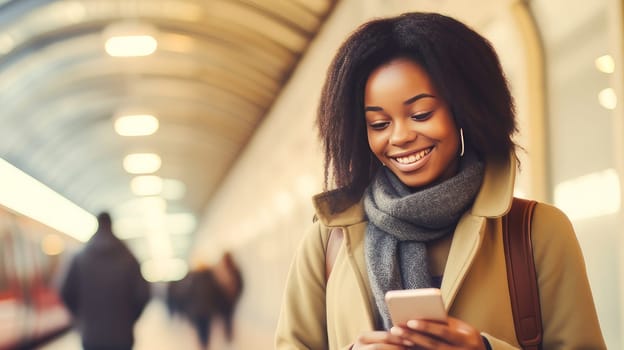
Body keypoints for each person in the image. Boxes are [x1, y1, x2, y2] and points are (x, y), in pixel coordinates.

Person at [275, 12, 606, 350]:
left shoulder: (537, 231)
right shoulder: (327, 241)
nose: (400, 136)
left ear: (463, 110)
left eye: (420, 114)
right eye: (378, 124)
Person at [60, 212, 150, 350]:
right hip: (122, 336)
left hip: (91, 336)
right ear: (112, 225)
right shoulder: (129, 258)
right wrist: (129, 319)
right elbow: (143, 294)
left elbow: (65, 291)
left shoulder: (80, 257)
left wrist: (81, 317)